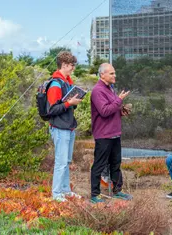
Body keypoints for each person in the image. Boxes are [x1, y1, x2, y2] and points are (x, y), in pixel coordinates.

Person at [90, 63, 133, 203]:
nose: (115, 76)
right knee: (100, 164)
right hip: (103, 134)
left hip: (115, 133)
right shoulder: (97, 91)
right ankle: (95, 194)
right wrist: (119, 99)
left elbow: (112, 109)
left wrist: (121, 111)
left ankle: (117, 191)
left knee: (116, 163)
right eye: (111, 73)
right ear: (102, 75)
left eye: (114, 73)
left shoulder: (110, 89)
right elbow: (104, 111)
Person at [47, 51, 83, 202]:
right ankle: (56, 194)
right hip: (59, 128)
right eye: (71, 66)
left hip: (68, 127)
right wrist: (69, 103)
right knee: (61, 162)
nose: (73, 68)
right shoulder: (55, 84)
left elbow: (65, 106)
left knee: (66, 161)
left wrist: (72, 103)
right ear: (64, 65)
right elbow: (52, 109)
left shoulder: (67, 82)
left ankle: (65, 190)